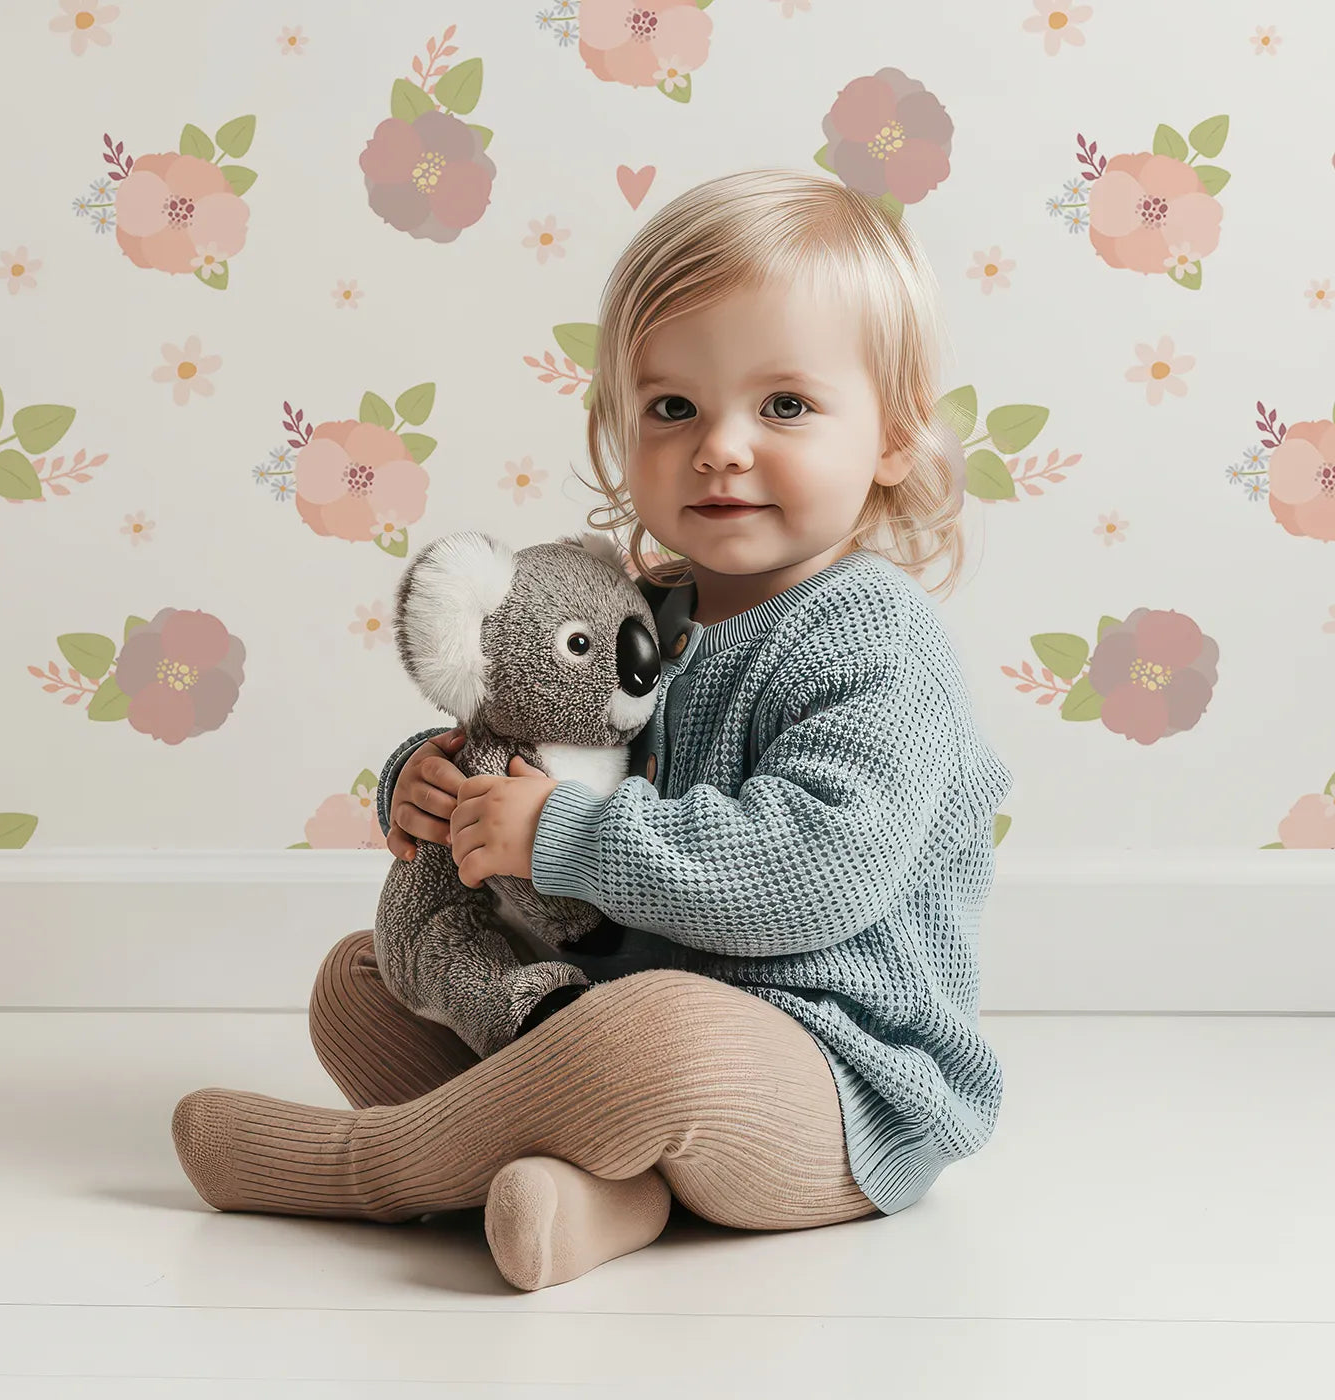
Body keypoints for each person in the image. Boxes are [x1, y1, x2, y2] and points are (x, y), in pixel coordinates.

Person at [171, 167, 1013, 1293]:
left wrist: (562, 834)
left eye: (784, 405)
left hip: (830, 1076)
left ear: (894, 439)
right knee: (365, 979)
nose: (719, 445)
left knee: (656, 1033)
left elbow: (811, 872)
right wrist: (428, 788)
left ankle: (365, 1167)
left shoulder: (876, 641)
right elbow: (524, 728)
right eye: (673, 407)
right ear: (619, 426)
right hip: (621, 1024)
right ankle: (602, 1196)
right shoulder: (634, 604)